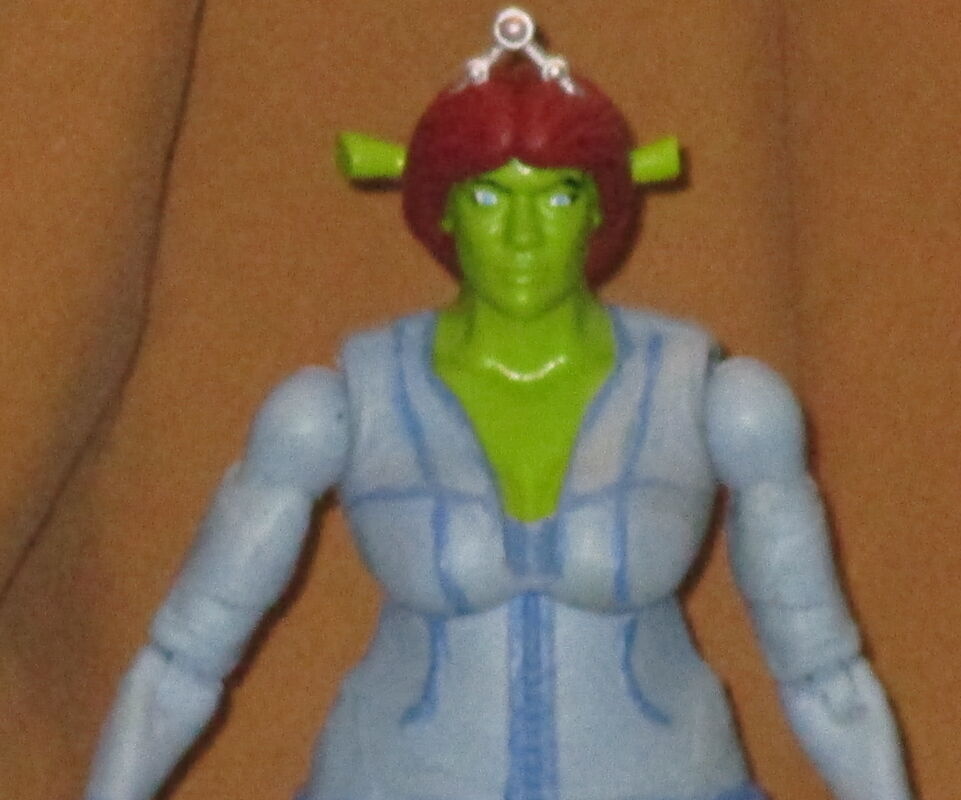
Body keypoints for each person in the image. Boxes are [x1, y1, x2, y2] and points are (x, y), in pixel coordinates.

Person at [86, 10, 912, 800]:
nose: (522, 236)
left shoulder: (717, 405)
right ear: (441, 208)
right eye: (487, 198)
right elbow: (180, 663)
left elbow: (824, 674)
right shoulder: (337, 411)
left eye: (556, 197)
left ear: (601, 206)